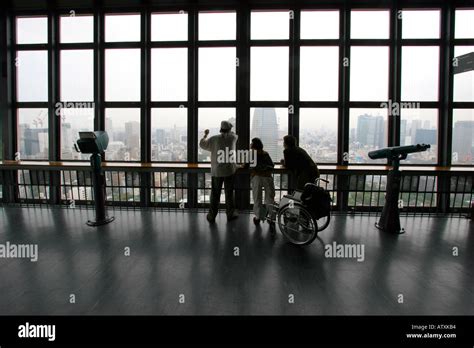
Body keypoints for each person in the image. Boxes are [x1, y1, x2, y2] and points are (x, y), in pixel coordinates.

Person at [199, 120, 239, 223]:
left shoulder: (213, 139)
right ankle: (230, 214)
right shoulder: (233, 138)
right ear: (230, 129)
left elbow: (202, 144)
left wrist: (205, 135)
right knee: (229, 193)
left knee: (215, 193)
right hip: (229, 171)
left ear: (220, 129)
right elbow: (234, 134)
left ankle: (212, 215)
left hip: (217, 171)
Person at [244, 138, 275, 228]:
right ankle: (272, 218)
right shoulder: (265, 153)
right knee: (270, 198)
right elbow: (271, 165)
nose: (250, 144)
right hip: (267, 177)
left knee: (257, 198)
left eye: (251, 143)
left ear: (253, 145)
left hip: (257, 177)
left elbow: (246, 166)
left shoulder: (251, 154)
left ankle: (258, 217)